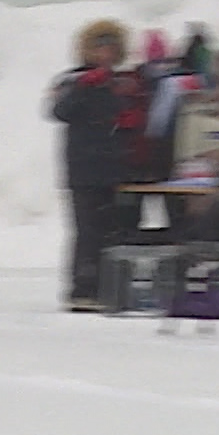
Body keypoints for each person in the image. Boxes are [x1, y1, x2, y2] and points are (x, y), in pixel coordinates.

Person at [47, 18, 136, 311]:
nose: (105, 54)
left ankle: (109, 288)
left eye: (111, 48)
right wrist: (82, 88)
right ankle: (82, 289)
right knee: (87, 231)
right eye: (99, 48)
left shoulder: (121, 84)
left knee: (113, 230)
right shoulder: (71, 81)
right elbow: (58, 111)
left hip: (115, 168)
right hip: (83, 169)